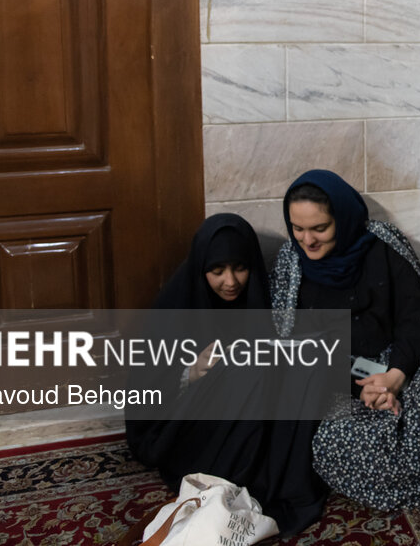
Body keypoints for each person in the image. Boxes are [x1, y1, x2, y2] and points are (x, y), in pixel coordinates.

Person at [270, 169, 420, 513]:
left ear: (342, 218)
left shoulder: (382, 244)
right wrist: (362, 388)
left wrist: (396, 375)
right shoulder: (291, 264)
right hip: (345, 388)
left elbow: (415, 317)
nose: (307, 240)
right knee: (334, 450)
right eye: (297, 228)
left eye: (319, 228)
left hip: (407, 365)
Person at [124, 213, 326, 534]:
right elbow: (143, 395)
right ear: (201, 268)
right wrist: (190, 373)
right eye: (217, 271)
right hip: (192, 431)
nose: (231, 282)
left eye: (240, 268)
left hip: (253, 417)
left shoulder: (259, 299)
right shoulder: (174, 309)